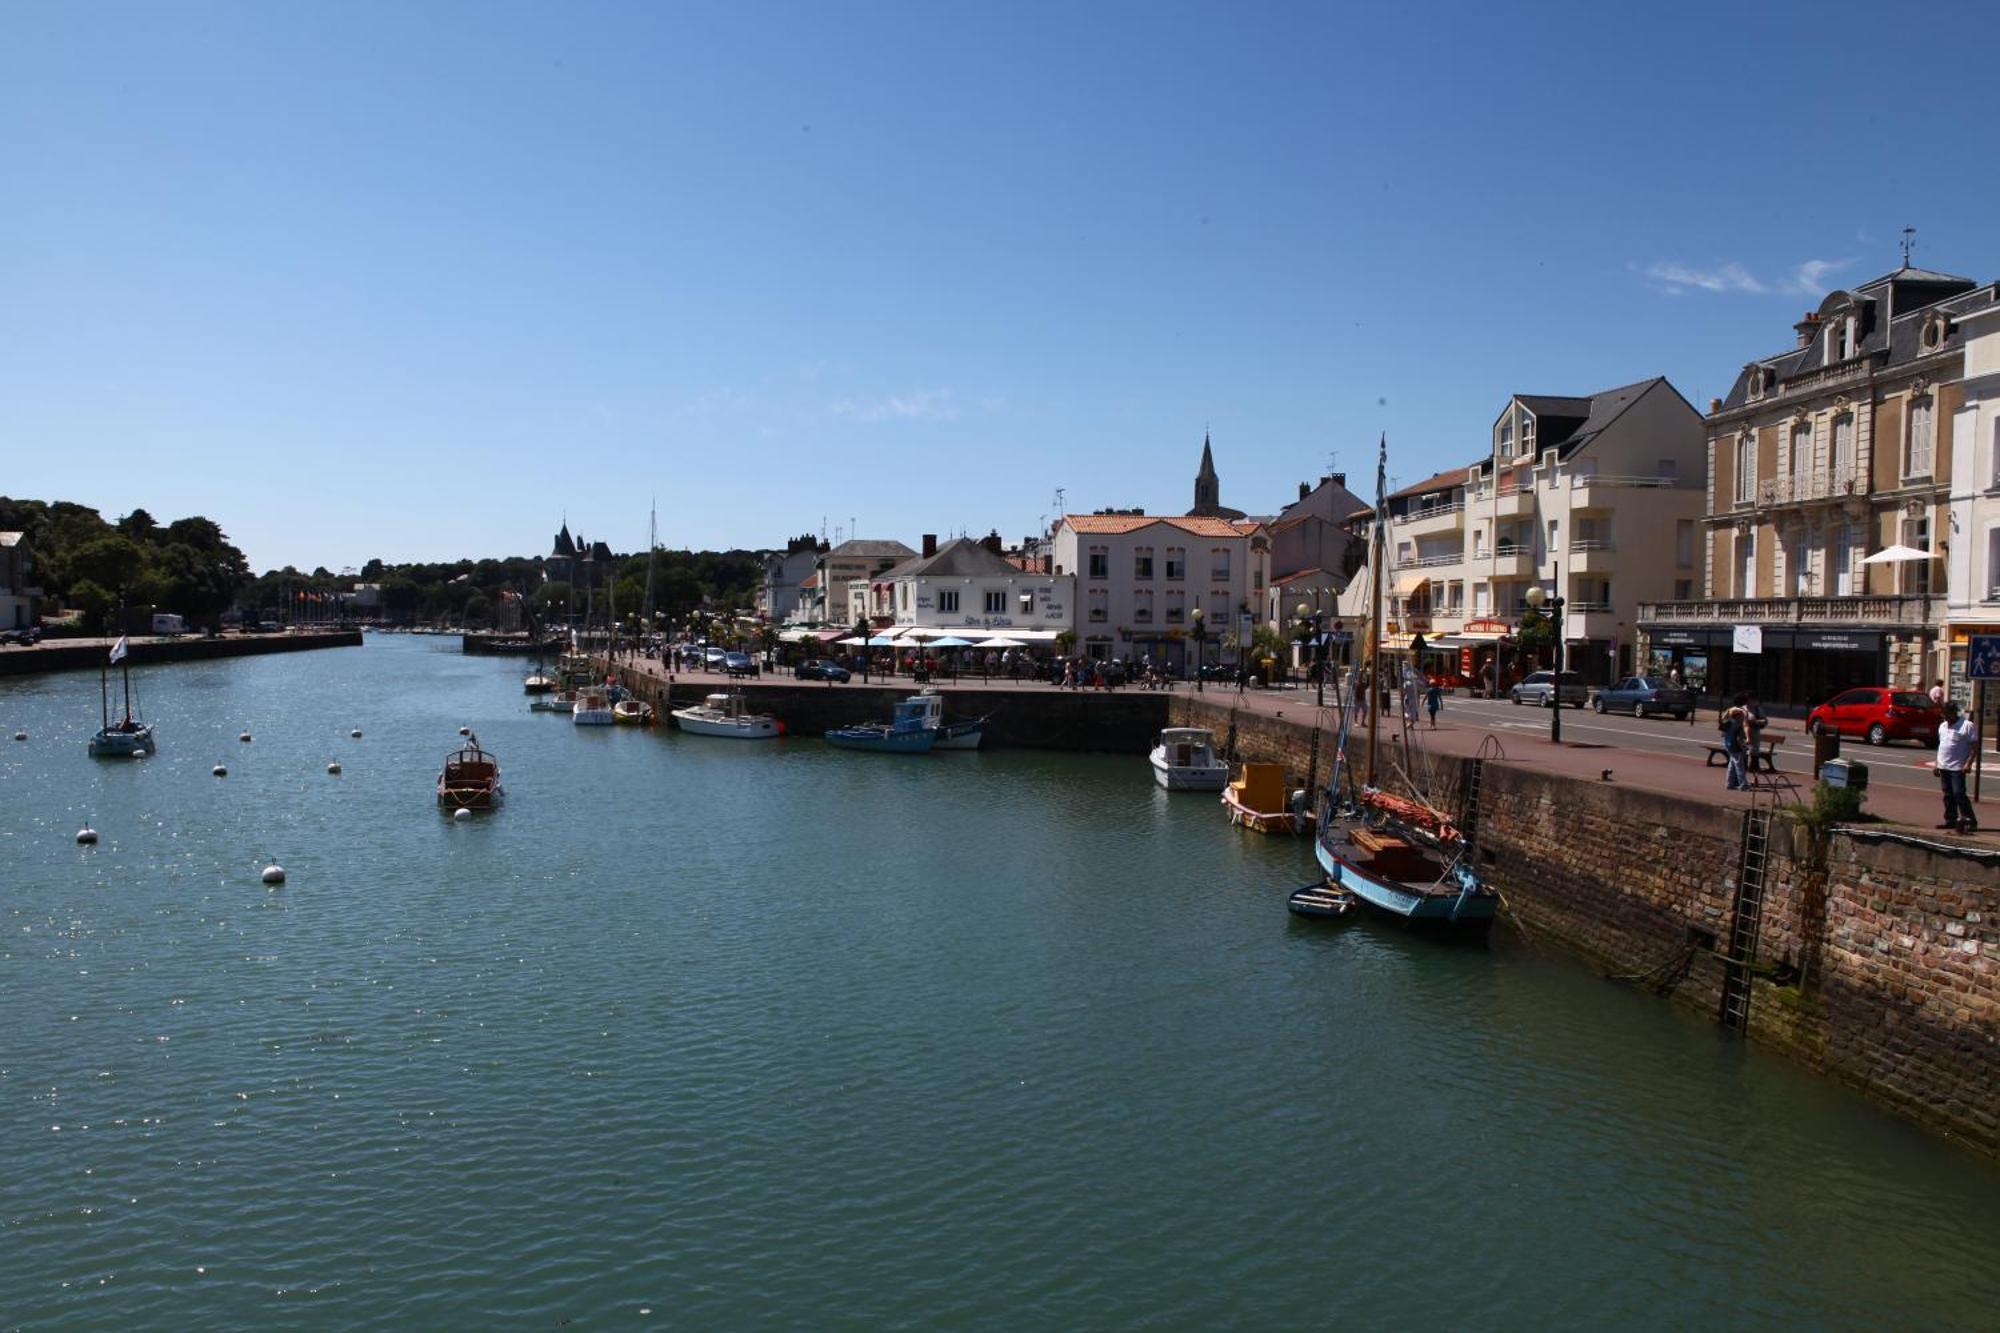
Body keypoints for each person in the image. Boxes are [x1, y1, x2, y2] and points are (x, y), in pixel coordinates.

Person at [1936, 701, 1978, 833]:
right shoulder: (1942, 726)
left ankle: (1970, 820)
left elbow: (1974, 748)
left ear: (1954, 712)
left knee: (1959, 793)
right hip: (1944, 765)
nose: (1945, 717)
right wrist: (1937, 764)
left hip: (1958, 767)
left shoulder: (1967, 725)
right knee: (1947, 794)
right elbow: (1941, 746)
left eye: (1947, 714)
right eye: (1944, 714)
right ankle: (1951, 820)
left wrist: (1968, 764)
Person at [1720, 693, 1751, 791]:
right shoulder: (1741, 712)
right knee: (1739, 764)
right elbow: (1745, 726)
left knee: (1732, 763)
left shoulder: (1729, 710)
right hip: (1735, 742)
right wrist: (1747, 739)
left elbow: (1722, 724)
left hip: (1727, 740)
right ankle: (1743, 784)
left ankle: (1729, 783)